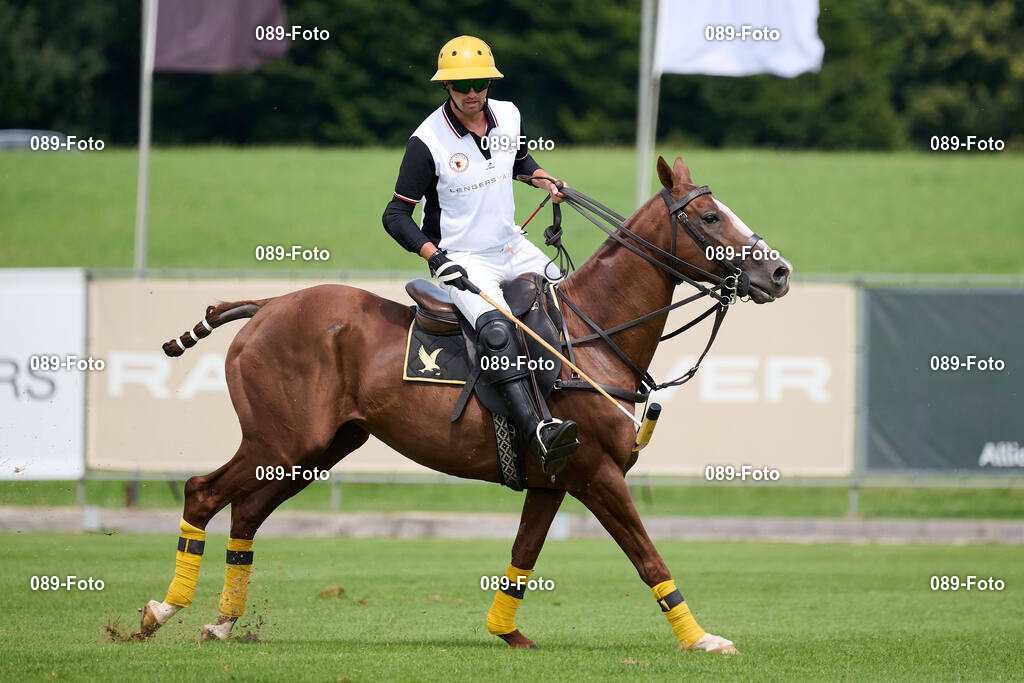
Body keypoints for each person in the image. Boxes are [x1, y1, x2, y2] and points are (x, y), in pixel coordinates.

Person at [382, 35, 579, 476]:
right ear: (446, 88)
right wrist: (435, 257)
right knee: (495, 331)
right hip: (465, 258)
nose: (472, 93)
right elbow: (395, 215)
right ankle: (538, 430)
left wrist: (542, 179)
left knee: (573, 301)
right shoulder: (426, 141)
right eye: (461, 85)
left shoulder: (508, 114)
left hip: (512, 244)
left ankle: (582, 402)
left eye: (480, 83)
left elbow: (517, 158)